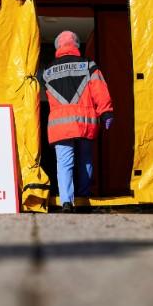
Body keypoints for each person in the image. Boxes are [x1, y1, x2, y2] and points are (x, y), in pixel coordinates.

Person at [42, 30, 113, 213]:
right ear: (76, 45)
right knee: (85, 161)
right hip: (85, 122)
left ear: (58, 46)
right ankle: (83, 198)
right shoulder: (88, 65)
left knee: (64, 163)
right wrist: (106, 113)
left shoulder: (48, 71)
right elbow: (100, 90)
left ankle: (67, 202)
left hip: (60, 124)